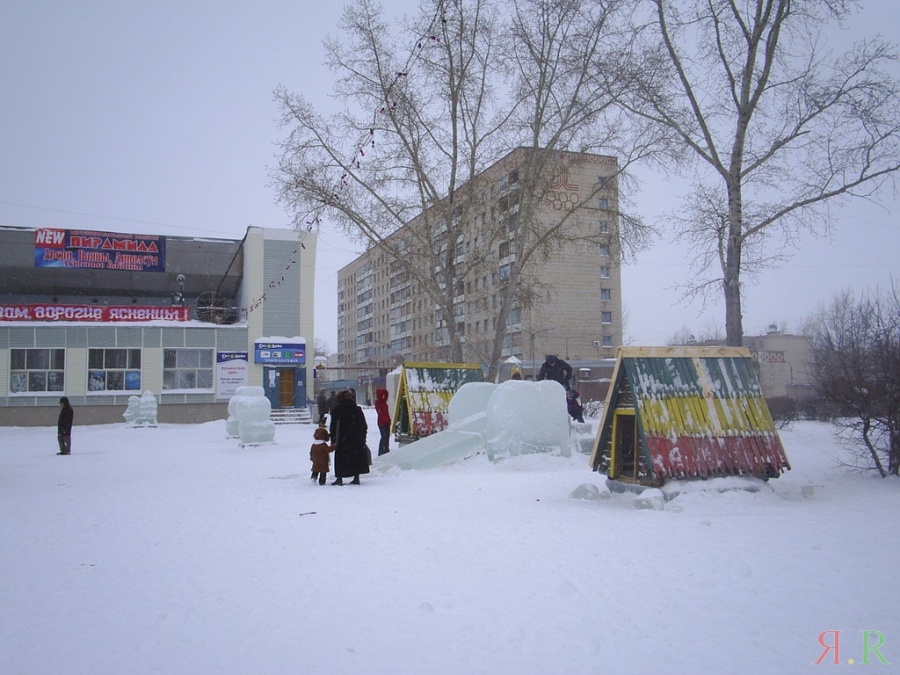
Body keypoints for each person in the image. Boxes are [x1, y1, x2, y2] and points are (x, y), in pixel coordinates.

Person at [328, 389, 370, 485]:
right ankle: (356, 477)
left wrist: (334, 439)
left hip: (343, 439)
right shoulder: (357, 409)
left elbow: (334, 426)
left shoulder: (337, 410)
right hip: (356, 439)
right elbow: (363, 425)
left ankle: (339, 478)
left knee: (341, 459)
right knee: (355, 457)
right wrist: (363, 437)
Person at [374, 388, 391, 456]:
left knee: (387, 436)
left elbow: (386, 413)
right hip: (381, 422)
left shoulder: (384, 403)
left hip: (387, 422)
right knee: (383, 436)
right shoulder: (378, 403)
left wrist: (388, 420)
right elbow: (380, 412)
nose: (383, 396)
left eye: (384, 395)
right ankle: (381, 451)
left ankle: (386, 449)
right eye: (382, 395)